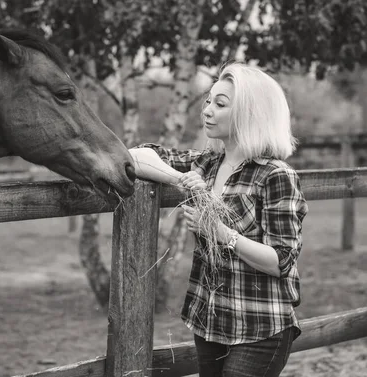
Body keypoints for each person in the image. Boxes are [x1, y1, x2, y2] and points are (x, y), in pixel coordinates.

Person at [129, 62, 308, 377]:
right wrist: (180, 179)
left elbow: (281, 261)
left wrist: (221, 232)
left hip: (260, 327)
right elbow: (135, 156)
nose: (207, 111)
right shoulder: (206, 164)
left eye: (220, 104)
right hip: (209, 322)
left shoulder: (276, 175)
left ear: (250, 114)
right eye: (208, 101)